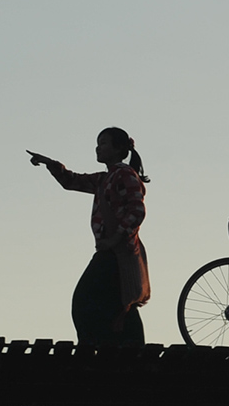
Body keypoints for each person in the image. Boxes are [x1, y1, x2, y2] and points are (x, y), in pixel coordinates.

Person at [28, 127, 151, 346]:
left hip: (116, 252)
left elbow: (137, 211)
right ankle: (129, 350)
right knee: (118, 303)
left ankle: (93, 346)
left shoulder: (124, 174)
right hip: (112, 251)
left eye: (103, 143)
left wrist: (116, 238)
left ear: (119, 148)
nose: (98, 147)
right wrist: (50, 164)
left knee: (85, 299)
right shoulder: (106, 178)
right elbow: (72, 181)